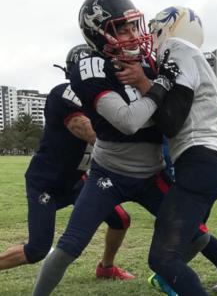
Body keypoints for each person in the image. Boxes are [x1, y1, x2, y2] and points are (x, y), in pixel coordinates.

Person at [30, 0, 212, 296]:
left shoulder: (151, 60)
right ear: (97, 33)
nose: (133, 35)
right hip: (109, 174)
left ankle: (167, 277)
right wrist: (159, 87)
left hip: (151, 173)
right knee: (68, 248)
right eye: (122, 29)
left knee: (199, 237)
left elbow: (176, 115)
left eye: (133, 26)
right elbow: (128, 121)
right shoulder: (90, 67)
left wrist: (152, 83)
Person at [0, 44, 133, 280]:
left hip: (77, 180)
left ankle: (106, 268)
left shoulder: (105, 99)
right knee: (37, 249)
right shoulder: (63, 93)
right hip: (47, 182)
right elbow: (86, 130)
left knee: (120, 219)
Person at [145, 6, 217, 296]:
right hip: (205, 164)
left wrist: (144, 86)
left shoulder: (177, 49)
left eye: (154, 29)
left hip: (197, 164)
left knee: (163, 258)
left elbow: (170, 121)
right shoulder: (193, 57)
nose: (149, 36)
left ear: (169, 27)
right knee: (191, 237)